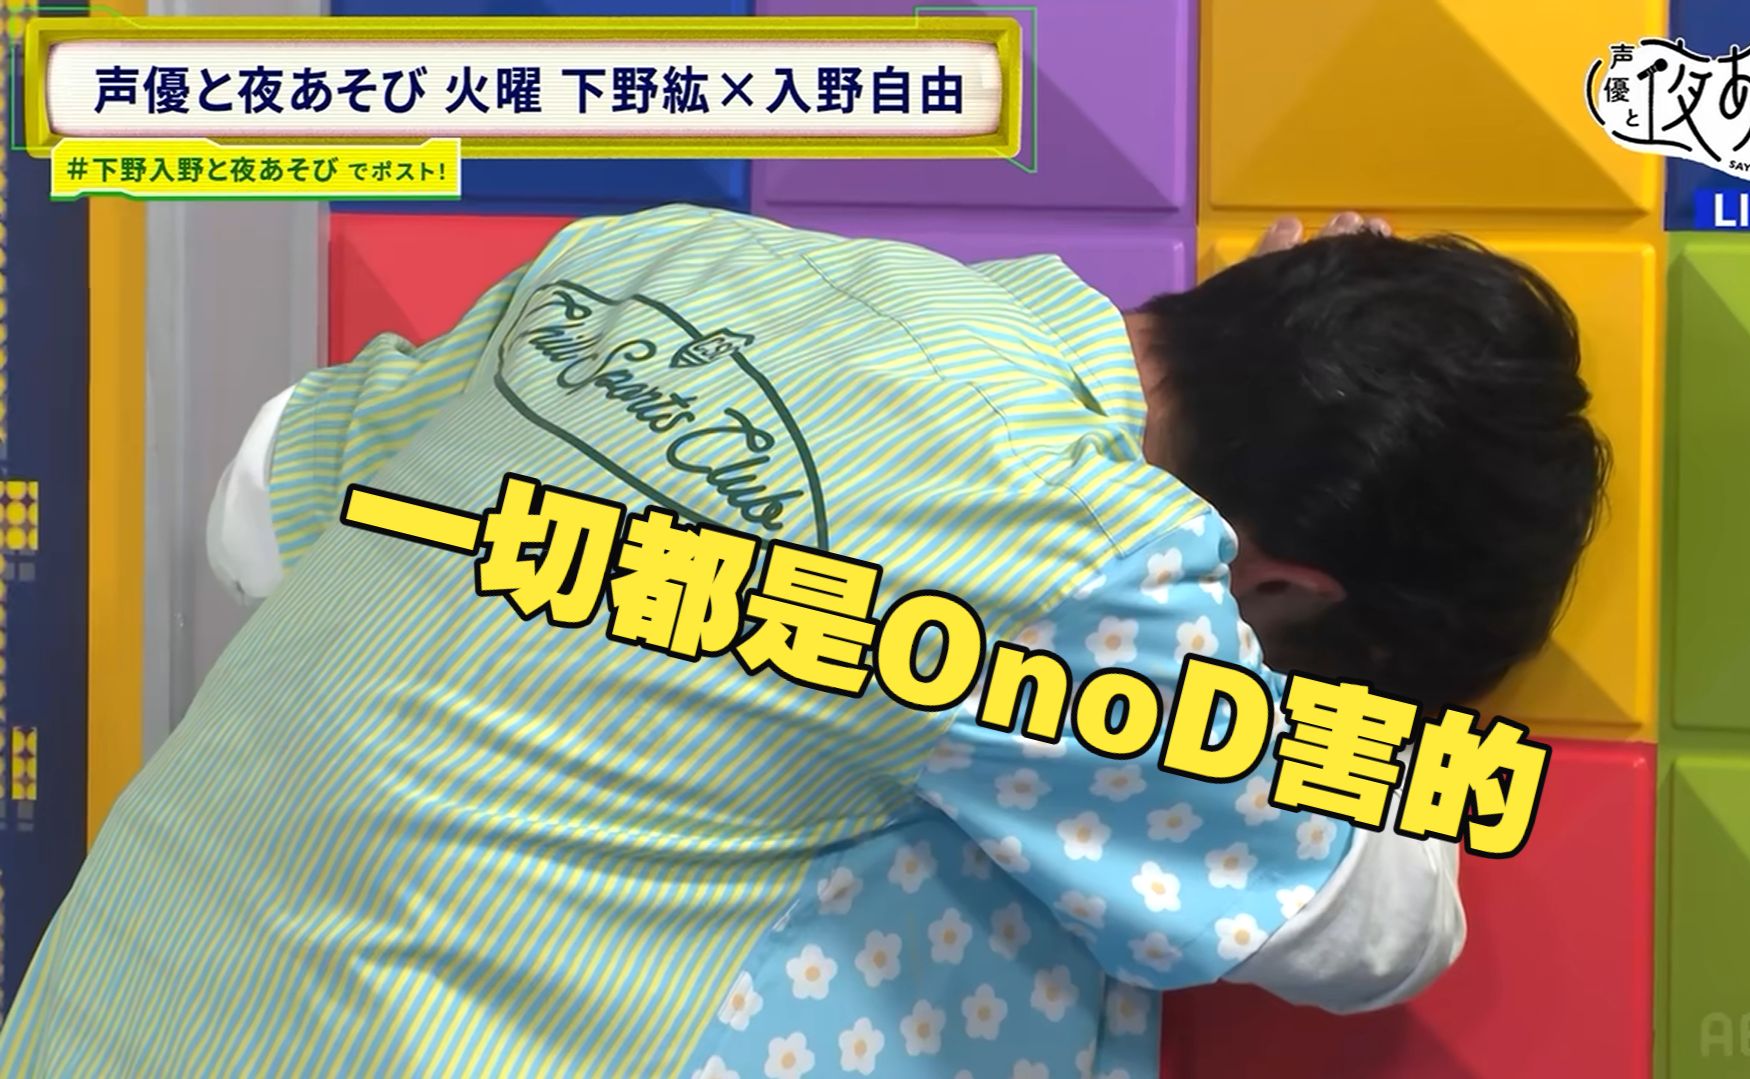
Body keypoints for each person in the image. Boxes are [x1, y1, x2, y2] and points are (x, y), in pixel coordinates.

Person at [0, 207, 1605, 1078]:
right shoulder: (1078, 546)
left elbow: (253, 508)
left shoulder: (674, 253)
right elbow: (1369, 921)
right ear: (1288, 588)